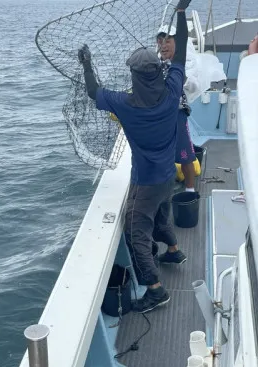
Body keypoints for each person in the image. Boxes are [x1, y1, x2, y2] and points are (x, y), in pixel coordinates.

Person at [78, 0, 190, 313]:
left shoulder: (124, 104)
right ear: (158, 70)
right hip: (168, 175)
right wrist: (180, 13)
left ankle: (155, 290)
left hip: (146, 182)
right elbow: (180, 51)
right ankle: (174, 250)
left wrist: (87, 63)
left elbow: (92, 92)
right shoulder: (172, 90)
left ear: (135, 76)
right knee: (161, 211)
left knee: (134, 229)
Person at [156, 26, 197, 193]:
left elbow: (194, 86)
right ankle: (164, 187)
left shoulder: (185, 63)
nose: (163, 45)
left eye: (168, 41)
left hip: (178, 114)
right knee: (161, 155)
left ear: (176, 43)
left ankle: (190, 189)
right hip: (159, 117)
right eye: (160, 41)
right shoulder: (156, 64)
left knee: (185, 154)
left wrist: (183, 77)